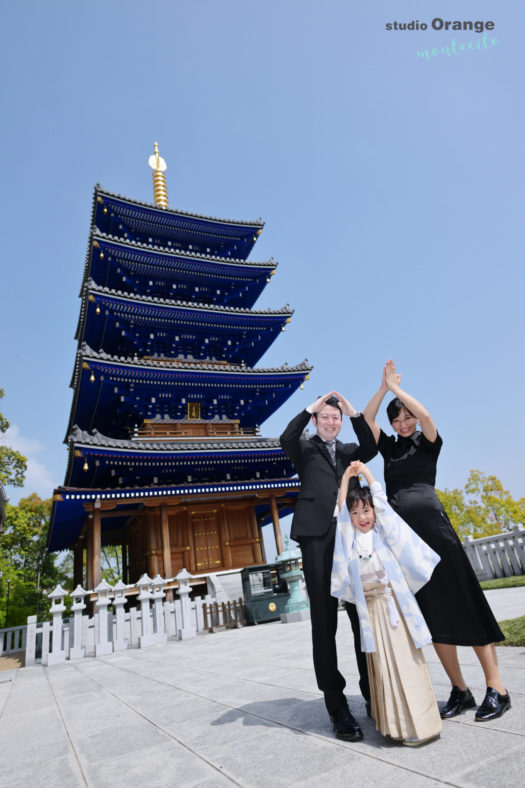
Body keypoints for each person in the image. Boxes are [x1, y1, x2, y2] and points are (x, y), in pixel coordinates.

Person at [363, 360, 511, 722]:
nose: (402, 424)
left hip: (436, 531)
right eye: (397, 420)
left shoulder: (428, 443)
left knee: (465, 602)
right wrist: (383, 389)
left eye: (405, 418)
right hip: (405, 543)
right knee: (432, 614)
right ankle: (460, 690)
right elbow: (368, 418)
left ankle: (498, 689)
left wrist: (398, 390)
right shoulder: (390, 449)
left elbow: (427, 416)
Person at [280, 392, 377, 741]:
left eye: (335, 418)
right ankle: (337, 708)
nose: (331, 423)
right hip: (316, 538)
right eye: (326, 418)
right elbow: (285, 437)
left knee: (360, 616)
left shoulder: (350, 450)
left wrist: (352, 413)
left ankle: (372, 695)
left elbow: (372, 445)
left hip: (350, 539)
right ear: (316, 420)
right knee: (324, 621)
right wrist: (311, 406)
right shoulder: (303, 448)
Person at [331, 461, 443, 746]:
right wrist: (345, 477)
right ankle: (398, 727)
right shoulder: (349, 539)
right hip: (372, 613)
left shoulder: (384, 533)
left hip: (395, 609)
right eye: (356, 513)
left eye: (366, 510)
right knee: (382, 666)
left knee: (407, 661)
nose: (362, 516)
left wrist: (366, 474)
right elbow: (341, 508)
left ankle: (423, 724)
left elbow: (379, 499)